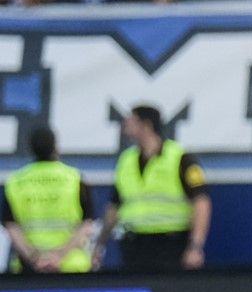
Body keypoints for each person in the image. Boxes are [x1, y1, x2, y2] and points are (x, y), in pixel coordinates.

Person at [99, 104, 210, 272]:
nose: (125, 124)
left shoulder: (180, 157)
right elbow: (115, 204)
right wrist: (101, 242)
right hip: (133, 244)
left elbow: (201, 202)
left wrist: (195, 247)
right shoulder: (126, 160)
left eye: (132, 120)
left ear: (146, 125)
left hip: (170, 244)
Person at [3, 123, 94, 273]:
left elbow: (11, 227)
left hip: (29, 267)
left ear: (30, 148)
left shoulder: (15, 182)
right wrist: (58, 256)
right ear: (55, 146)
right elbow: (86, 224)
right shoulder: (75, 179)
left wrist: (34, 258)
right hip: (71, 266)